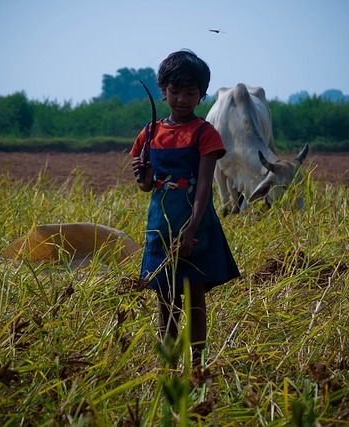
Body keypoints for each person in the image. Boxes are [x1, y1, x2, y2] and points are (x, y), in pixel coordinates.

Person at [130, 50, 240, 368]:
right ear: (163, 89)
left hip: (195, 222)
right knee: (165, 298)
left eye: (190, 93)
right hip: (161, 225)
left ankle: (197, 366)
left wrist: (191, 230)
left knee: (194, 298)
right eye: (175, 91)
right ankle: (168, 365)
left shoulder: (205, 133)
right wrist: (143, 173)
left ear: (202, 94)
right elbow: (147, 186)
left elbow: (204, 184)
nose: (182, 99)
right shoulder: (149, 134)